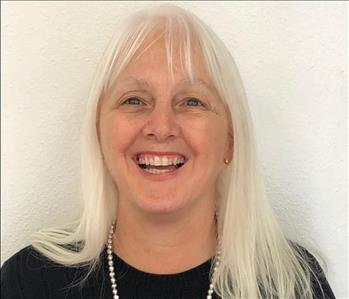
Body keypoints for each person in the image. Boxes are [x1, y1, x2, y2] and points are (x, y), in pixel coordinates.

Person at [1, 4, 336, 299]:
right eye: (134, 100)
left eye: (192, 101)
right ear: (98, 133)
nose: (161, 126)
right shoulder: (28, 283)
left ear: (230, 142)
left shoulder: (293, 286)